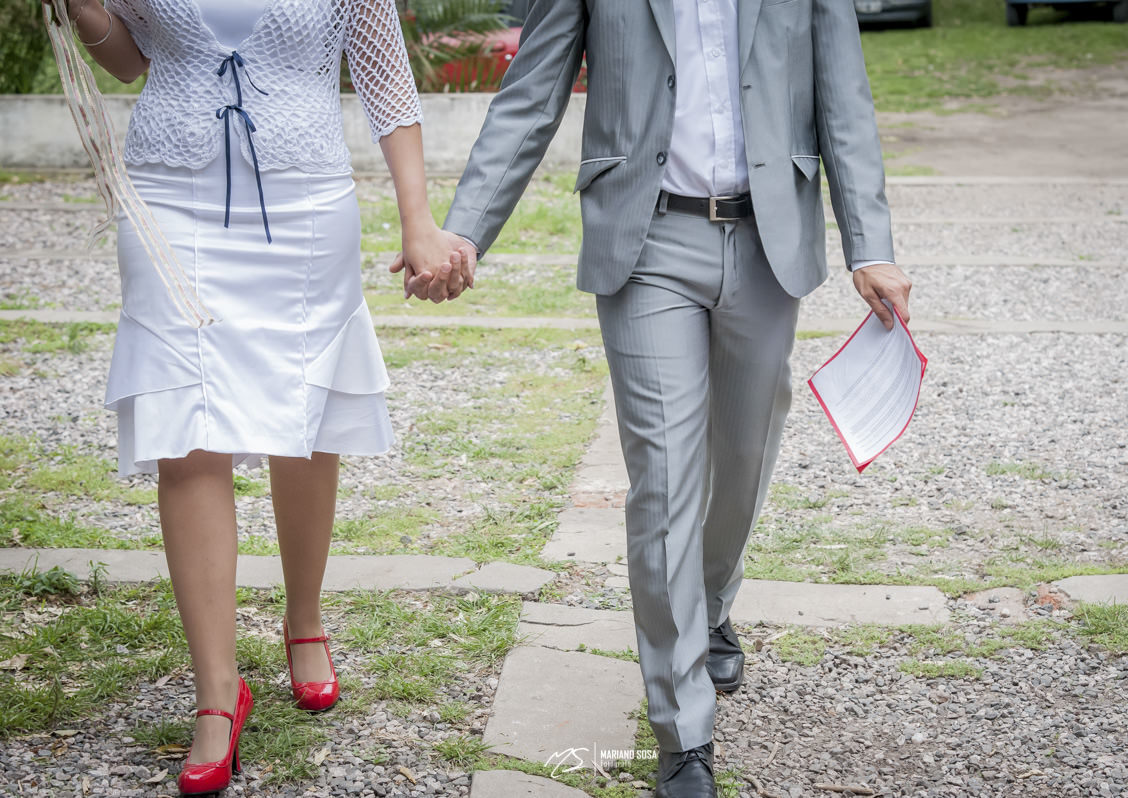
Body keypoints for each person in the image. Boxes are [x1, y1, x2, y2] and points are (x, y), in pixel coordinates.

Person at [417, 1, 914, 795]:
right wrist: (466, 230)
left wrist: (872, 246)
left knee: (746, 453)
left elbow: (842, 95)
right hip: (646, 240)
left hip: (767, 239)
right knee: (665, 479)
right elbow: (532, 89)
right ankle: (683, 734)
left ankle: (712, 596)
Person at [47, 0, 467, 794]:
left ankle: (303, 620)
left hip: (306, 202)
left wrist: (419, 220)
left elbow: (385, 79)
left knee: (304, 420)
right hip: (169, 199)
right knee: (186, 429)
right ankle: (216, 695)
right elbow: (132, 60)